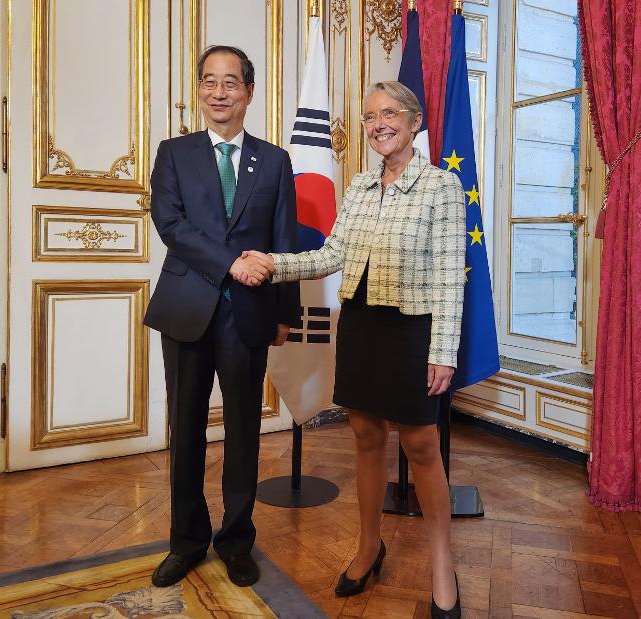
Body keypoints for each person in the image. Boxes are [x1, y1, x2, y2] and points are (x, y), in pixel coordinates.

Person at [238, 81, 466, 618]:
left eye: (390, 113)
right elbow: (332, 253)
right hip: (361, 324)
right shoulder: (360, 187)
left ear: (414, 122)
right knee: (365, 436)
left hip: (413, 329)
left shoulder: (441, 186)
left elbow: (450, 277)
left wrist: (443, 350)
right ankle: (369, 547)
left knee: (422, 446)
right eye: (369, 116)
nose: (378, 123)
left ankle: (442, 562)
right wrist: (274, 262)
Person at [143, 45, 300, 589]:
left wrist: (287, 314)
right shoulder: (174, 152)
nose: (218, 92)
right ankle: (186, 541)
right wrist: (231, 262)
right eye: (209, 81)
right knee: (184, 431)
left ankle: (236, 540)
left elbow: (285, 239)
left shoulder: (275, 160)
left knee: (243, 434)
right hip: (187, 310)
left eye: (230, 82)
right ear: (200, 89)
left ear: (249, 92)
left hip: (250, 317)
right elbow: (171, 224)